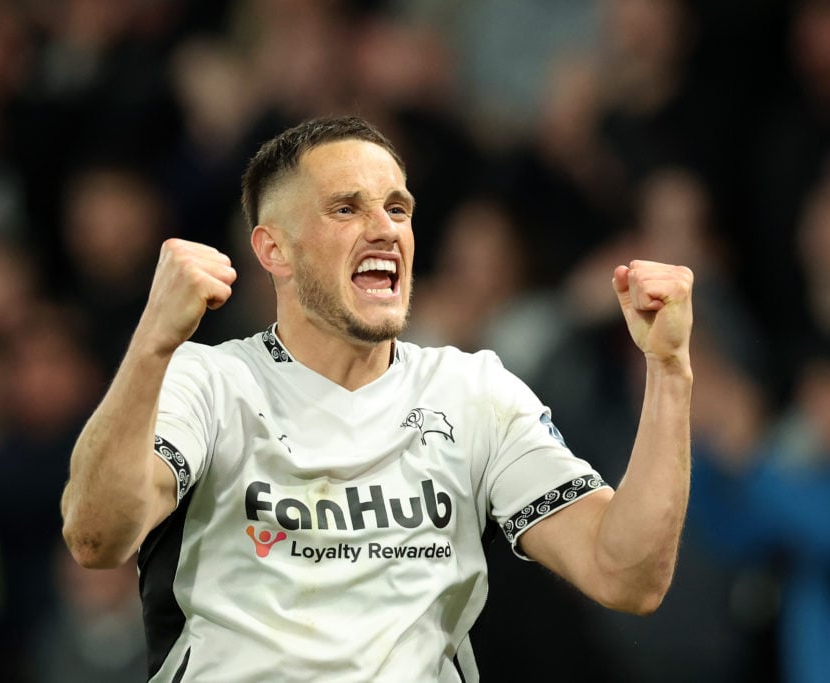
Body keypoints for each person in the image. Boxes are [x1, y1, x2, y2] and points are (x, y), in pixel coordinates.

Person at [60, 116, 694, 682]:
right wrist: (152, 344)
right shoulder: (208, 382)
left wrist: (668, 371)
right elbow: (96, 538)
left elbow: (626, 575)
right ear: (273, 249)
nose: (385, 229)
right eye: (346, 209)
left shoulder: (473, 392)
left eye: (398, 208)